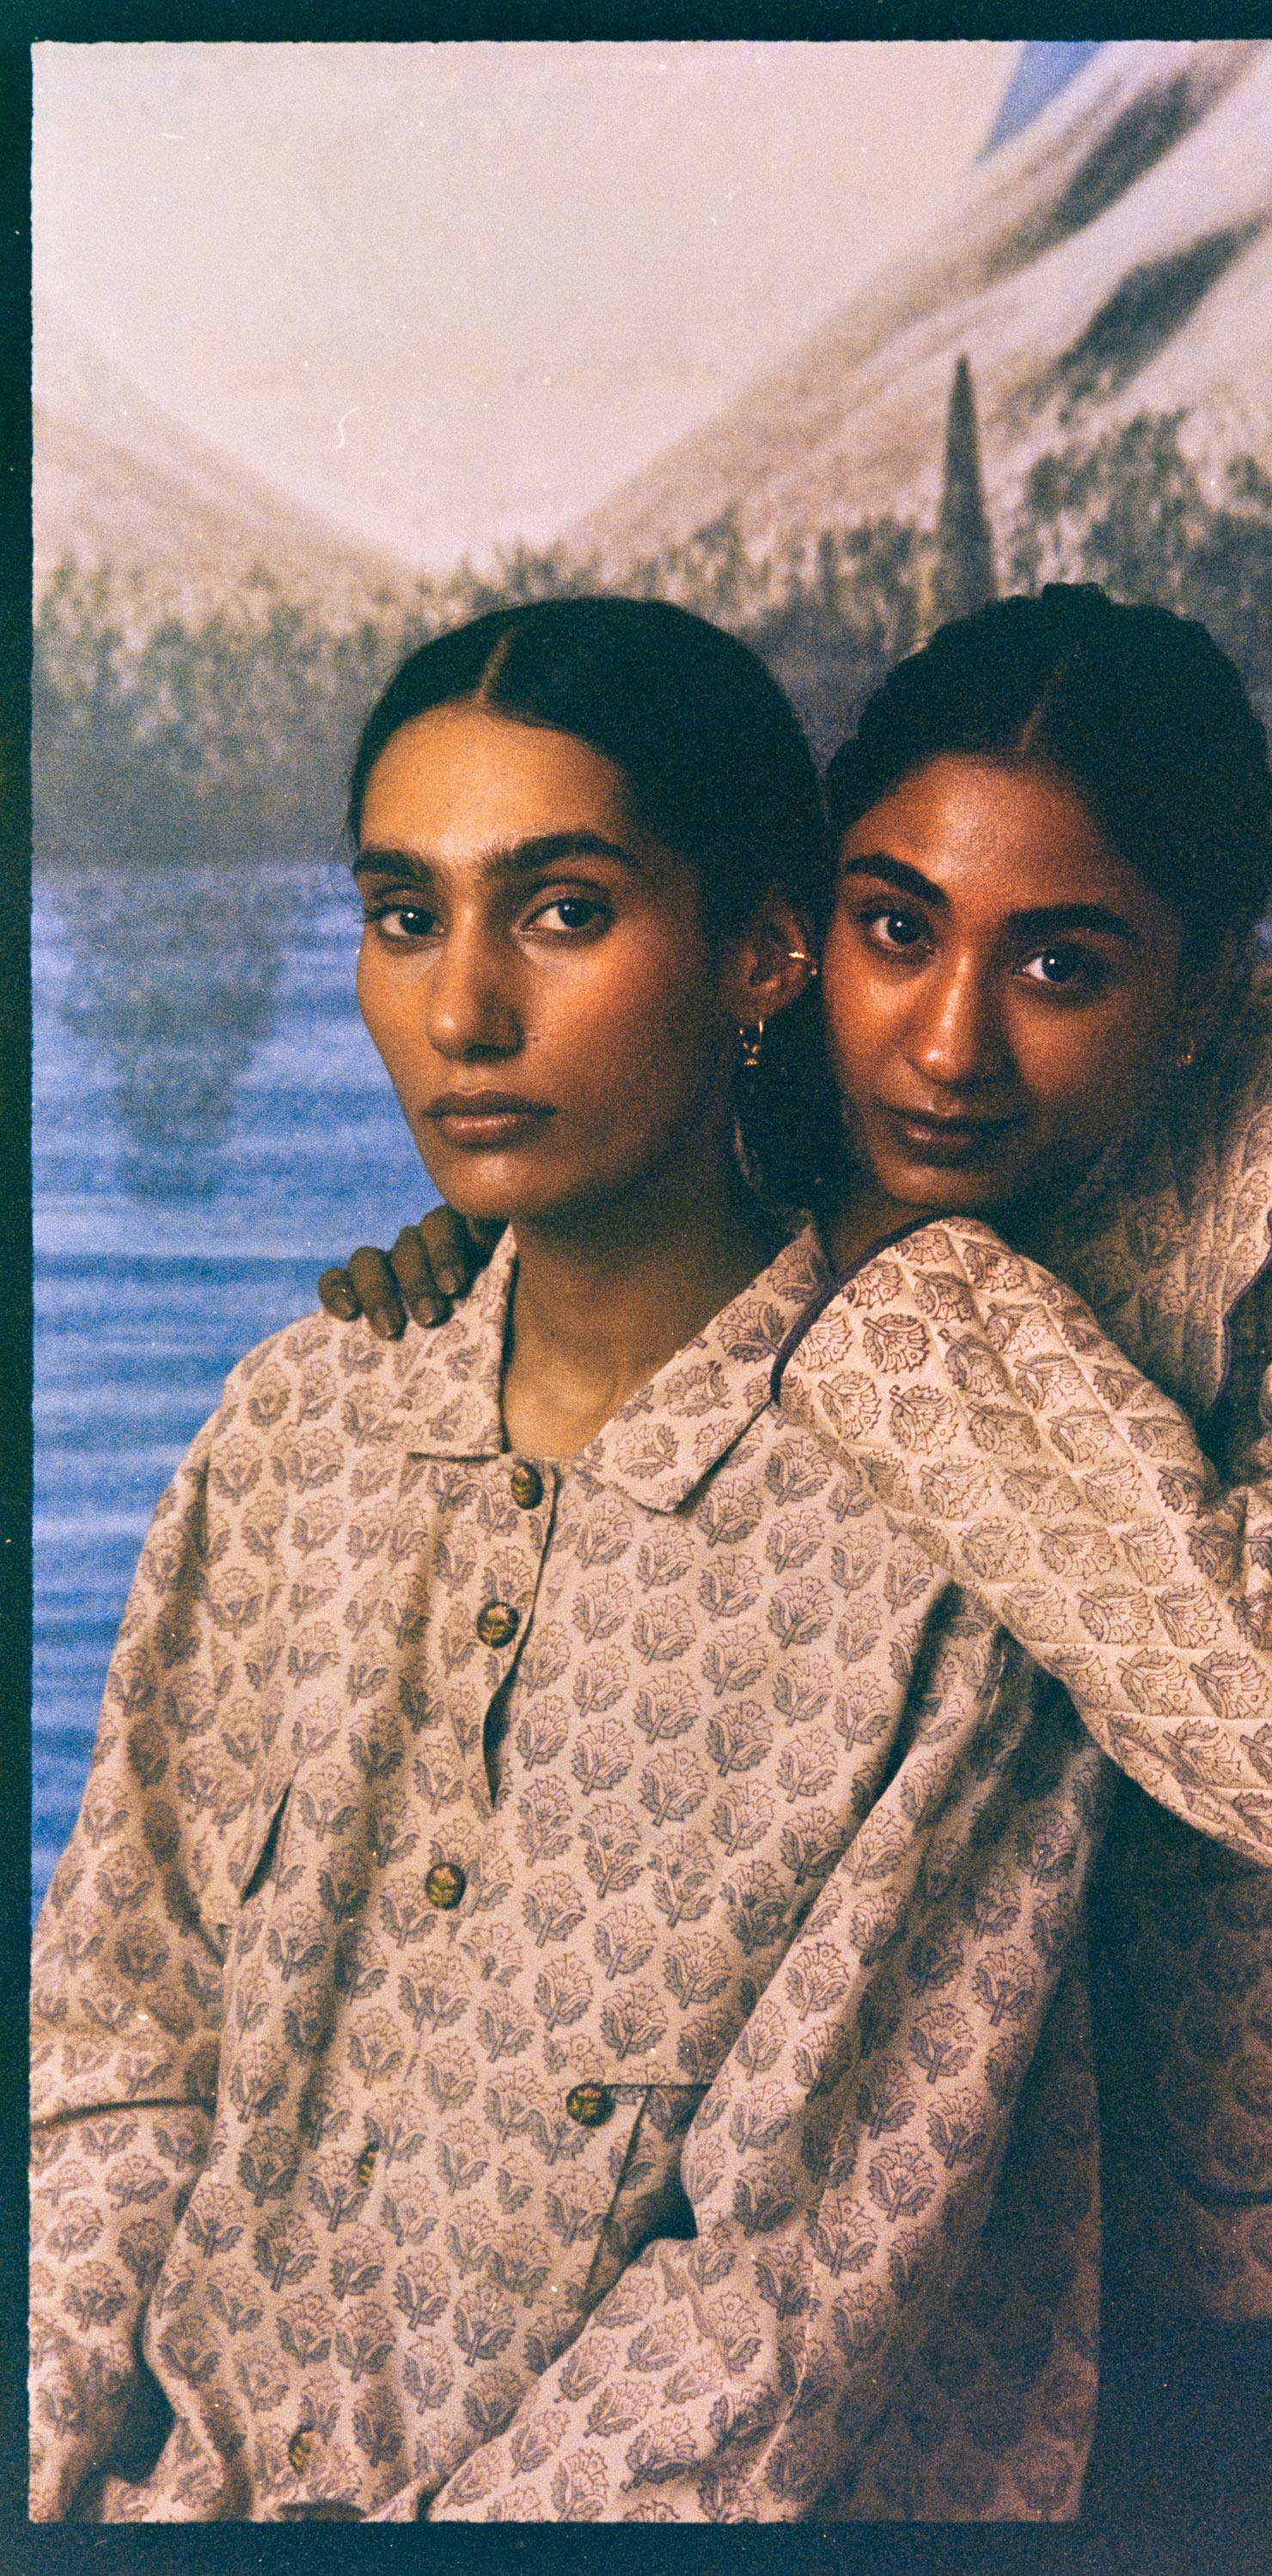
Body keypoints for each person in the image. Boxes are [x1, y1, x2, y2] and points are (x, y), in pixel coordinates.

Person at [327, 586, 1272, 2548]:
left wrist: (920, 1295)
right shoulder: (782, 1097)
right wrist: (504, 1256)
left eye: (1060, 964)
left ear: (1203, 990)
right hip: (989, 2200)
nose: (946, 1042)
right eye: (895, 928)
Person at [34, 595, 1129, 2523]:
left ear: (763, 952)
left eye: (560, 910)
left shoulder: (947, 1518)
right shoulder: (295, 1430)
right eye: (405, 914)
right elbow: (117, 2054)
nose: (462, 1012)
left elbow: (784, 2288)